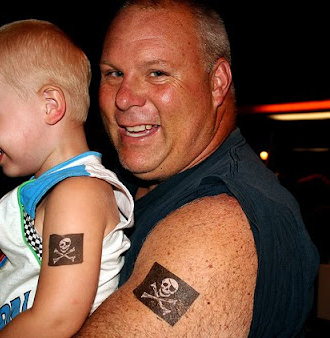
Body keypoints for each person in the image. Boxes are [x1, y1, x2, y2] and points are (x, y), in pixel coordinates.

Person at [75, 0, 320, 337]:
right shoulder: (132, 184)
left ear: (217, 82)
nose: (124, 98)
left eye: (157, 73)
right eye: (114, 73)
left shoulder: (216, 232)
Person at [0, 19, 134, 337]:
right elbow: (29, 292)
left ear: (50, 105)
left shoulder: (76, 195)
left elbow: (54, 320)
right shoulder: (51, 191)